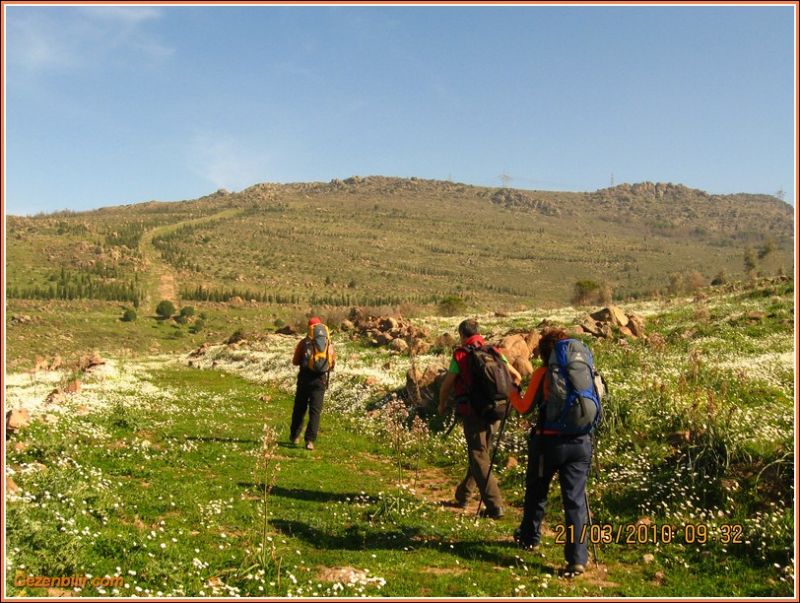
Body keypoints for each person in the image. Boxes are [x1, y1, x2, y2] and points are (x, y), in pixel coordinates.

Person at [510, 327, 594, 576]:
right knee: (575, 502)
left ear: (546, 353)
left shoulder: (543, 374)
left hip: (549, 444)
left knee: (537, 491)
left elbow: (524, 407)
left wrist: (513, 391)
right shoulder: (584, 373)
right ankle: (577, 558)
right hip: (581, 443)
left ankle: (529, 538)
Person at [438, 319, 521, 519]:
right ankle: (464, 494)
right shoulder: (494, 351)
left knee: (478, 455)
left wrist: (441, 405)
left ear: (462, 335)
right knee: (481, 455)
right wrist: (509, 400)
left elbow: (447, 384)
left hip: (474, 412)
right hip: (497, 411)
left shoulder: (460, 355)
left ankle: (495, 506)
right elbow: (517, 376)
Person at [290, 317, 336, 450]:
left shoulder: (304, 343)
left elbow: (295, 361)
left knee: (299, 408)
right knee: (315, 411)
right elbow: (332, 364)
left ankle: (295, 436)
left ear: (309, 328)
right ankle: (310, 441)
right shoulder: (329, 343)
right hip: (320, 380)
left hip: (305, 378)